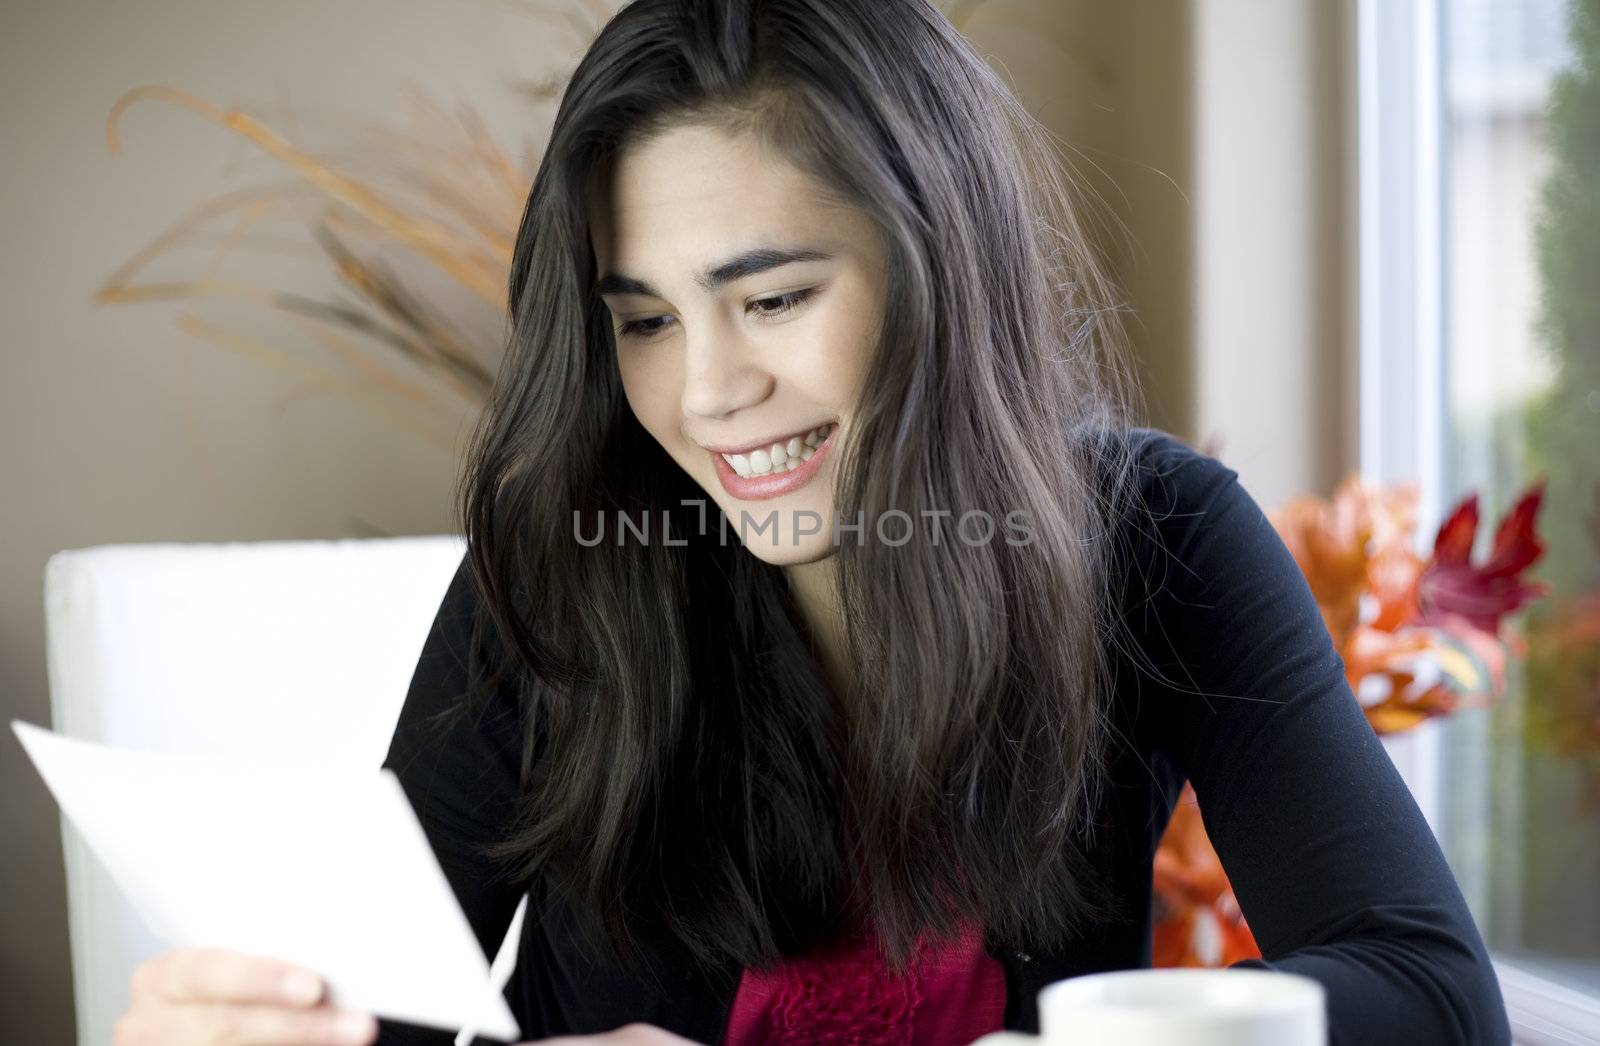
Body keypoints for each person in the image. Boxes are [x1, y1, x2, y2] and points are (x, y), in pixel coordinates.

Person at [114, 1, 1514, 1044]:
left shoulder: (1153, 535)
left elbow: (1430, 987)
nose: (709, 392)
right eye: (646, 321)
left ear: (936, 272)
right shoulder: (563, 567)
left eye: (774, 298)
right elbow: (383, 1017)